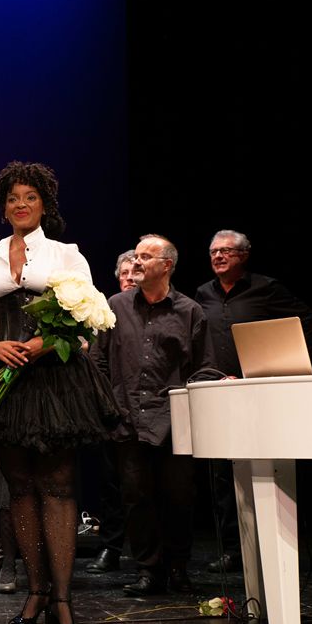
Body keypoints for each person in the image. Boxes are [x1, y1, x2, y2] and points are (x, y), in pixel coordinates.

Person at [0, 161, 118, 624]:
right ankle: (35, 592)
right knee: (18, 487)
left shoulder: (66, 255)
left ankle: (62, 599)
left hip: (56, 381)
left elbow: (87, 316)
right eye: (13, 198)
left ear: (44, 204)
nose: (21, 204)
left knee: (59, 486)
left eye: (30, 197)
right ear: (3, 208)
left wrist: (43, 343)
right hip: (2, 378)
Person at [91, 234, 215, 597]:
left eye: (146, 257)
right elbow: (98, 361)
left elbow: (203, 368)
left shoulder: (190, 311)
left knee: (179, 498)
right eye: (137, 256)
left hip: (173, 422)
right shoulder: (115, 305)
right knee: (136, 498)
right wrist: (110, 407)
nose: (138, 262)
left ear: (167, 266)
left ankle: (177, 568)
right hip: (127, 419)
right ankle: (148, 570)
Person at [194, 229, 312, 573]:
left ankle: (273, 543)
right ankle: (232, 549)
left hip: (258, 391)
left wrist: (276, 362)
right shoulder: (202, 293)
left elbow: (306, 320)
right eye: (214, 252)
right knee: (222, 475)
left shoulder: (266, 288)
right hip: (219, 391)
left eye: (227, 252)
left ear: (244, 256)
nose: (219, 257)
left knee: (263, 471)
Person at [86, 249, 138, 576]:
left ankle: (155, 555)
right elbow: (96, 361)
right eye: (125, 275)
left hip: (152, 414)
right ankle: (111, 547)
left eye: (136, 274)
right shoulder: (108, 312)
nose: (130, 279)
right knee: (111, 485)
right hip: (113, 412)